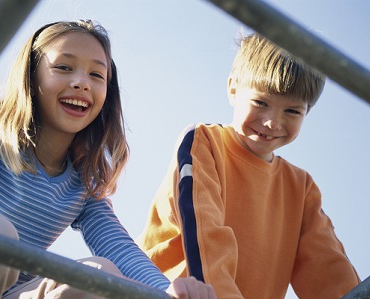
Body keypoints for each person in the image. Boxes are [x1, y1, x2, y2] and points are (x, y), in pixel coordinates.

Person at [0, 20, 216, 299]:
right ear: (31, 75)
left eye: (96, 74)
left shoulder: (82, 183)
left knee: (100, 275)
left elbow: (119, 250)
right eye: (64, 67)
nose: (81, 82)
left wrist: (167, 292)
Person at [136, 33, 361, 299]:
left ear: (307, 112)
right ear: (233, 88)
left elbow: (330, 272)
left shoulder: (300, 188)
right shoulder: (204, 143)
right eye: (261, 102)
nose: (272, 123)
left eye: (292, 111)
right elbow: (206, 242)